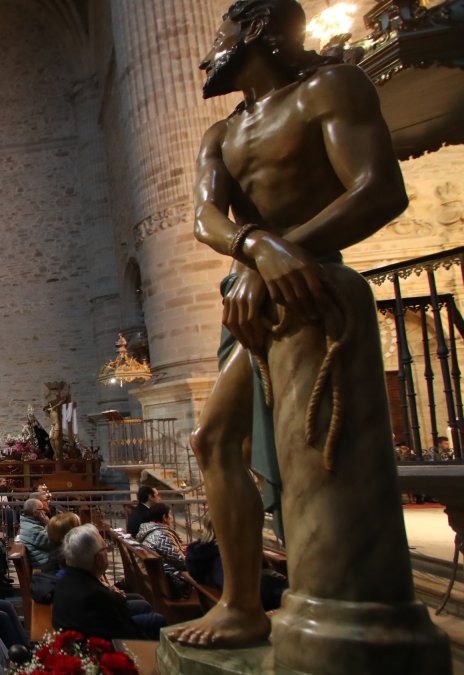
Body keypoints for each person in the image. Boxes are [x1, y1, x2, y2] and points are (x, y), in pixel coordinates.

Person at [183, 0, 427, 653]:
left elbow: (379, 187)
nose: (208, 52)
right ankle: (241, 602)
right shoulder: (221, 135)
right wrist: (260, 250)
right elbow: (206, 218)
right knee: (212, 439)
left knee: (317, 445)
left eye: (219, 34)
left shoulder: (330, 89)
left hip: (311, 289)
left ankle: (323, 606)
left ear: (256, 30)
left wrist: (285, 255)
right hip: (257, 293)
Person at [52, 524, 165, 640]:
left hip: (84, 632)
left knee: (142, 606)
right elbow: (128, 634)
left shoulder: (67, 578)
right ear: (99, 558)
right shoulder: (97, 596)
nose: (108, 553)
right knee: (157, 619)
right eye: (105, 549)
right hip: (101, 645)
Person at [135, 505, 190, 599]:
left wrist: (180, 549)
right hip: (171, 582)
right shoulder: (161, 534)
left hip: (159, 577)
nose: (172, 517)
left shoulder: (148, 530)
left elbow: (170, 553)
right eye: (170, 514)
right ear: (164, 517)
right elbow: (182, 562)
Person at [15, 498, 52, 568]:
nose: (44, 512)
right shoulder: (33, 529)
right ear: (35, 512)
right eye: (41, 509)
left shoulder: (28, 522)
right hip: (44, 563)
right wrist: (48, 524)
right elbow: (52, 542)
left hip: (44, 558)